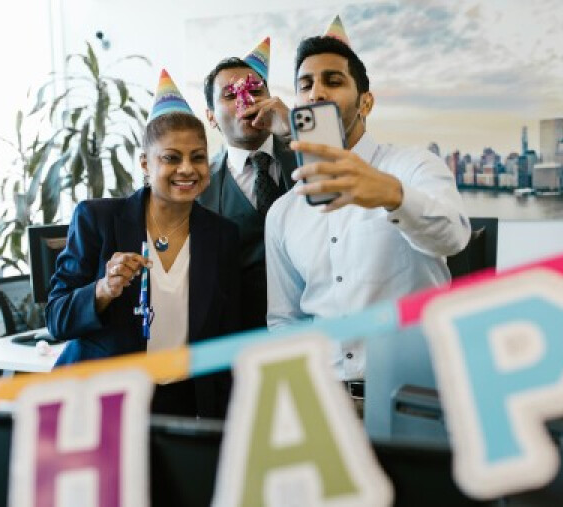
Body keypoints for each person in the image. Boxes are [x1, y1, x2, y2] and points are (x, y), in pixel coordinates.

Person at [265, 16, 471, 381]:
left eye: (333, 81)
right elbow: (286, 320)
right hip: (326, 400)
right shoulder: (284, 212)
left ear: (366, 103)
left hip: (412, 395)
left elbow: (454, 237)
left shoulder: (413, 166)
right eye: (305, 84)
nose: (316, 94)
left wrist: (392, 195)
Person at [46, 69, 240, 418]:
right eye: (171, 157)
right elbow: (57, 319)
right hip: (101, 405)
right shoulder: (98, 220)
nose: (187, 169)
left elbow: (226, 339)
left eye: (197, 157)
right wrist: (102, 290)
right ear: (145, 164)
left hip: (182, 404)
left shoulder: (222, 236)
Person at [199, 37, 298, 331]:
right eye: (230, 96)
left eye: (256, 90)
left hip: (315, 331)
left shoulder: (309, 155)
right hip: (237, 337)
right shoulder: (200, 185)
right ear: (211, 118)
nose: (247, 101)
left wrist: (293, 129)